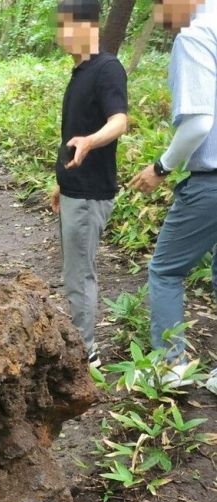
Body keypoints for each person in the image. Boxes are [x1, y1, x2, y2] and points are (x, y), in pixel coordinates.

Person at [130, 0, 217, 388]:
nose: (158, 13)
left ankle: (170, 368)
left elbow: (199, 121)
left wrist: (161, 168)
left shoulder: (195, 35)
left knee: (165, 271)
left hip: (211, 182)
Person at [52, 0, 129, 368]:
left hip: (89, 194)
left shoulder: (107, 69)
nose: (60, 36)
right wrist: (61, 180)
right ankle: (81, 343)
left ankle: (85, 354)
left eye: (65, 26)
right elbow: (72, 132)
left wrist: (90, 142)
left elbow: (119, 121)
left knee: (79, 274)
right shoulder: (80, 72)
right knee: (73, 271)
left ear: (87, 27)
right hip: (73, 189)